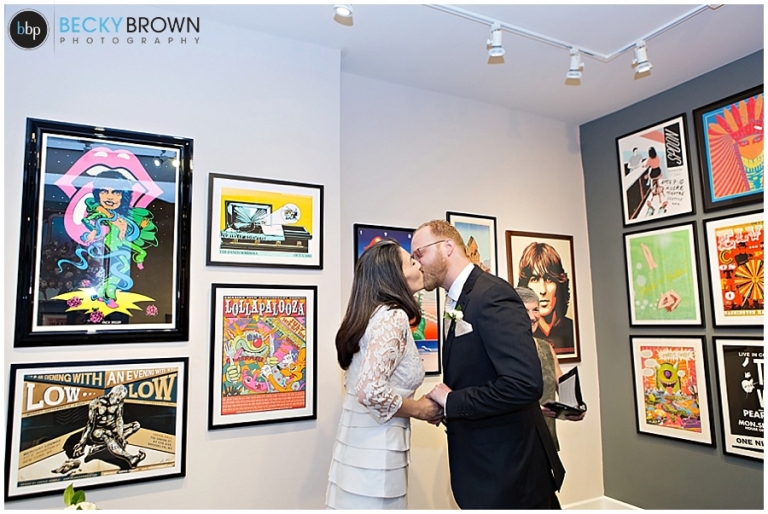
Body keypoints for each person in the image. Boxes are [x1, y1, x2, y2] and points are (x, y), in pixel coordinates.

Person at [412, 219, 564, 509]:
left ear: (447, 247)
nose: (417, 263)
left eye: (420, 253)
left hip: (510, 473)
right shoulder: (458, 299)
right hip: (484, 468)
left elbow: (523, 384)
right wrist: (447, 406)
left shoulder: (492, 294)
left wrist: (453, 402)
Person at [326, 239, 443, 509]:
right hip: (376, 458)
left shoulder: (369, 316)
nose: (419, 265)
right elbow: (370, 391)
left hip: (355, 452)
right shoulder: (393, 317)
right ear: (395, 276)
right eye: (411, 262)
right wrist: (420, 409)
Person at [516, 286, 585, 454]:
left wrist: (576, 407)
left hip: (546, 439)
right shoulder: (502, 351)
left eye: (535, 310)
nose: (532, 317)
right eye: (525, 310)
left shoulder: (546, 348)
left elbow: (562, 385)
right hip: (517, 442)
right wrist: (532, 410)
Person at [54, 384, 145, 474]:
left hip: (112, 428)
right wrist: (82, 443)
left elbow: (119, 418)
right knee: (107, 435)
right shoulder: (96, 403)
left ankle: (100, 447)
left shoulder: (119, 403)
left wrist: (120, 435)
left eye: (120, 399)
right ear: (112, 394)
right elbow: (90, 424)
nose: (119, 401)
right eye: (118, 399)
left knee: (135, 425)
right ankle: (130, 458)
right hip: (98, 432)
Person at [516, 241, 575, 356]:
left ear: (559, 284)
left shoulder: (571, 328)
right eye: (535, 279)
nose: (543, 290)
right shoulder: (518, 332)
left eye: (549, 279)